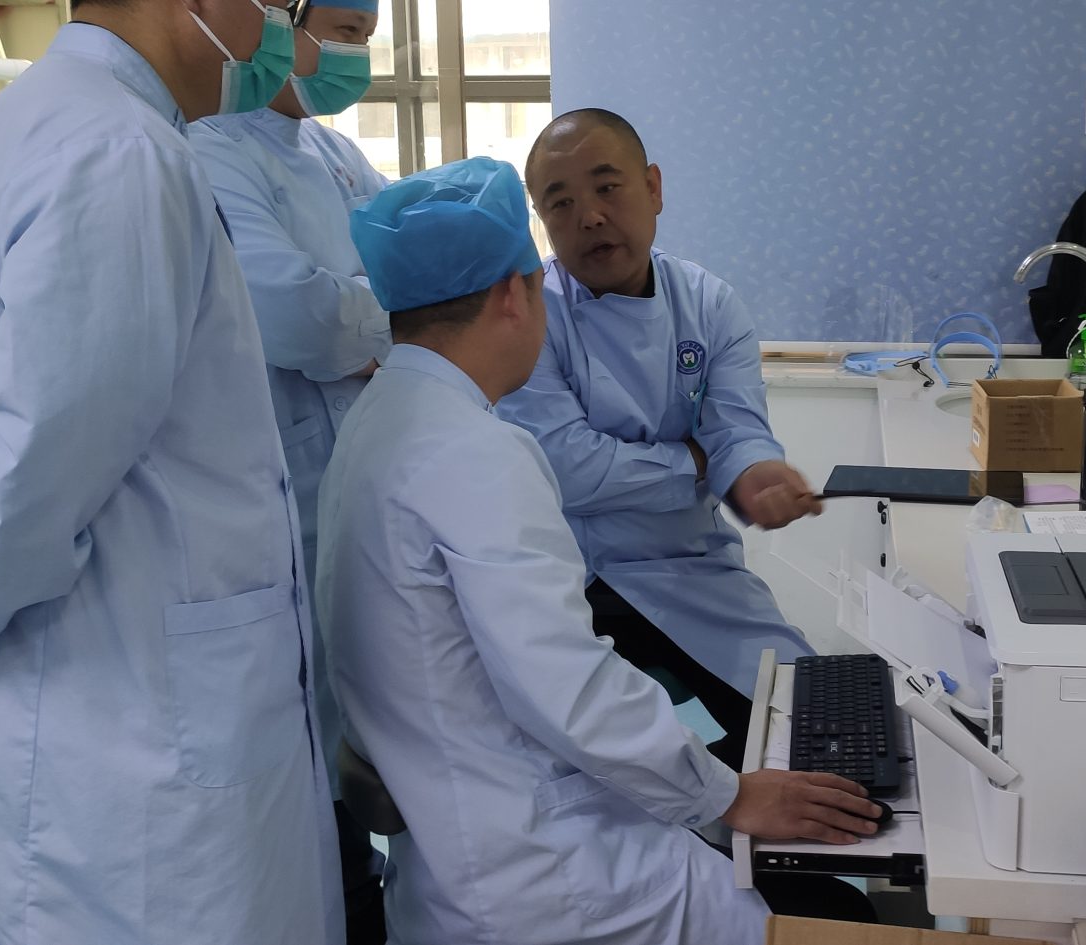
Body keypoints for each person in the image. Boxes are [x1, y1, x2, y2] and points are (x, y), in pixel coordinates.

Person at [0, 1, 342, 942]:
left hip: (87, 690)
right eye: (276, 3)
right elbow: (43, 448)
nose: (283, 27)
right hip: (128, 715)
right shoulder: (118, 150)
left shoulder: (44, 122)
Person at [318, 157, 882, 945]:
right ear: (515, 294)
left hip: (462, 846)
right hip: (548, 873)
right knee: (833, 910)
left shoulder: (378, 418)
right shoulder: (474, 450)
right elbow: (570, 688)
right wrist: (728, 794)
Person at [498, 107, 822, 769]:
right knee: (670, 760)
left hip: (696, 565)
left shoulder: (710, 304)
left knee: (807, 713)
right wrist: (700, 460)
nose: (590, 217)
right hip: (581, 582)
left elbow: (738, 430)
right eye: (560, 203)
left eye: (607, 187)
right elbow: (566, 468)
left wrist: (755, 471)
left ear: (653, 187)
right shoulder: (531, 316)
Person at [188, 1, 389, 936]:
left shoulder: (337, 156)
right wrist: (382, 323)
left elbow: (426, 280)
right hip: (284, 486)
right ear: (282, 19)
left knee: (376, 717)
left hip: (369, 469)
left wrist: (364, 324)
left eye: (364, 37)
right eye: (339, 30)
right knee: (309, 750)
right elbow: (293, 314)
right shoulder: (209, 148)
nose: (352, 56)